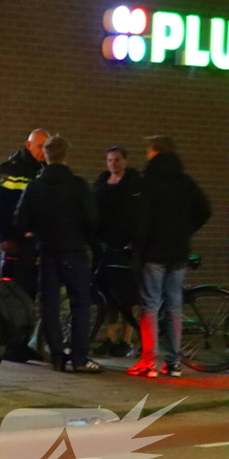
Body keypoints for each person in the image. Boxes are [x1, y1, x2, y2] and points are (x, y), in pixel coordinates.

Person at [16, 136, 102, 373]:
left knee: (49, 305)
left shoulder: (35, 186)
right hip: (74, 251)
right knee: (80, 305)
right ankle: (80, 358)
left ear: (45, 155)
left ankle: (56, 357)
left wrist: (36, 235)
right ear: (66, 156)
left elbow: (20, 220)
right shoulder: (77, 185)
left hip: (47, 252)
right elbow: (93, 218)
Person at [127, 136, 211, 378]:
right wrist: (185, 230)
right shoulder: (185, 181)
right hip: (178, 252)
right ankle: (174, 362)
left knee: (150, 305)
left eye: (148, 151)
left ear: (155, 152)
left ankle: (148, 362)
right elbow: (204, 210)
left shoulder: (149, 181)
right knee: (174, 306)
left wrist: (137, 249)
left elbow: (142, 220)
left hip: (154, 251)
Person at [92, 145, 141, 357]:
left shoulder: (133, 184)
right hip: (105, 245)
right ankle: (111, 338)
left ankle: (126, 339)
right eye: (110, 160)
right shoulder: (101, 183)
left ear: (125, 161)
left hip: (126, 245)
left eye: (117, 160)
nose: (113, 163)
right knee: (108, 294)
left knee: (127, 294)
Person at [0, 129, 49, 298]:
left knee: (31, 294)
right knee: (11, 294)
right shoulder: (11, 169)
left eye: (46, 147)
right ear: (28, 145)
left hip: (37, 243)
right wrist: (6, 236)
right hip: (16, 242)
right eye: (40, 146)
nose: (43, 151)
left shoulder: (45, 169)